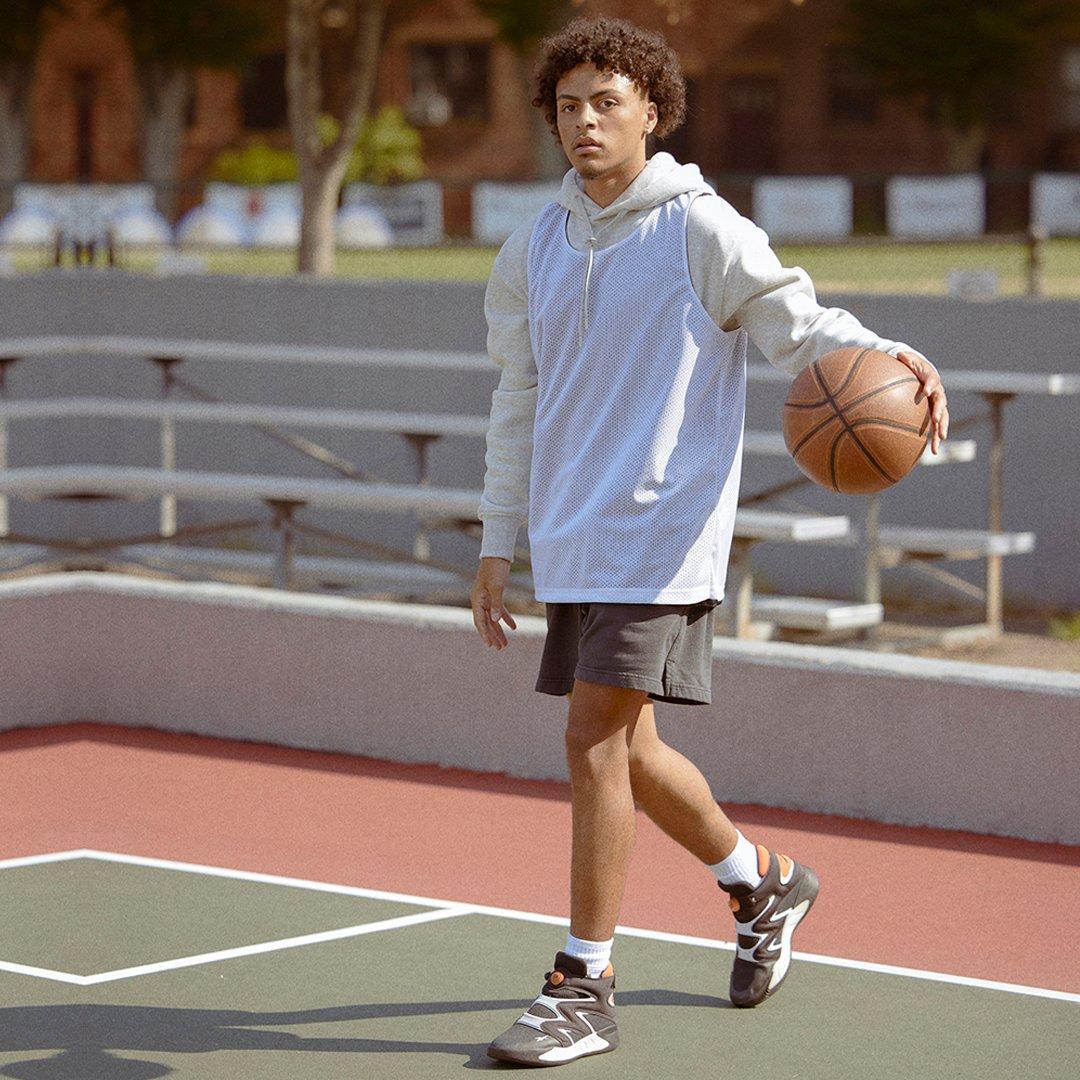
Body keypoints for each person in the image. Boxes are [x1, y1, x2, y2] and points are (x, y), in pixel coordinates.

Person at [470, 13, 949, 1068]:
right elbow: (518, 398)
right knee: (631, 751)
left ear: (651, 109)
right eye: (568, 106)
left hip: (662, 532)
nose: (586, 121)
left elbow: (800, 323)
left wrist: (888, 353)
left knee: (592, 738)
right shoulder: (534, 245)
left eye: (606, 102)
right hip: (572, 533)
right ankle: (763, 887)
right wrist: (498, 538)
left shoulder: (700, 228)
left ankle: (582, 983)